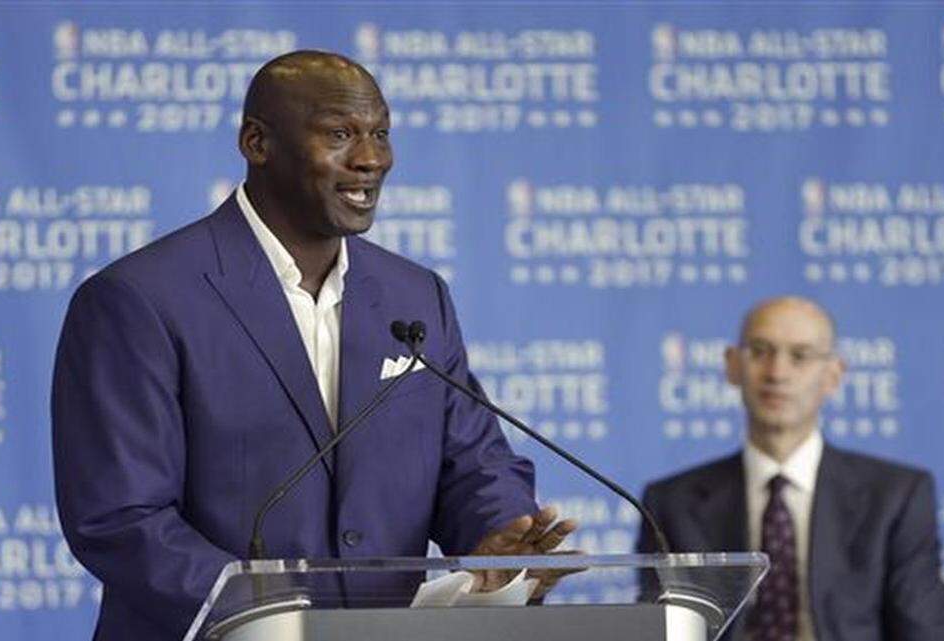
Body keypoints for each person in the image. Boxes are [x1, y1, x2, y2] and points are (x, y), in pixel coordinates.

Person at [52, 50, 574, 641]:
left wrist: (496, 535)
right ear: (257, 142)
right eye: (339, 134)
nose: (371, 159)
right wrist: (274, 618)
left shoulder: (415, 296)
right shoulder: (139, 300)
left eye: (380, 133)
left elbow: (473, 460)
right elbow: (121, 519)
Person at [638, 297, 944, 641]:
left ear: (833, 374)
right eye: (760, 351)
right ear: (732, 366)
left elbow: (923, 629)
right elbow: (663, 631)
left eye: (800, 356)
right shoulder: (671, 502)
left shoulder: (896, 496)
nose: (777, 373)